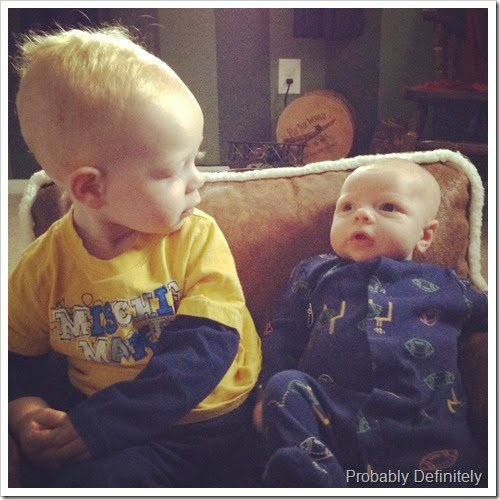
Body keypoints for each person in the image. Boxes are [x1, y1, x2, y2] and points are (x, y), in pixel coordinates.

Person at [8, 25, 262, 488]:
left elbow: (205, 349)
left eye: (196, 159)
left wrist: (102, 424)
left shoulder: (196, 237)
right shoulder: (41, 268)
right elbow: (14, 362)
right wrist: (25, 411)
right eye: (173, 170)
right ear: (91, 188)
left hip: (215, 422)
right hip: (117, 439)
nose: (198, 180)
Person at [253, 159, 487, 488]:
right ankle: (318, 480)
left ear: (425, 235)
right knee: (285, 386)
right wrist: (264, 391)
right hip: (332, 412)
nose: (361, 215)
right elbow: (283, 331)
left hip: (422, 422)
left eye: (388, 207)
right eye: (347, 207)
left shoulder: (446, 284)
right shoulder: (315, 272)